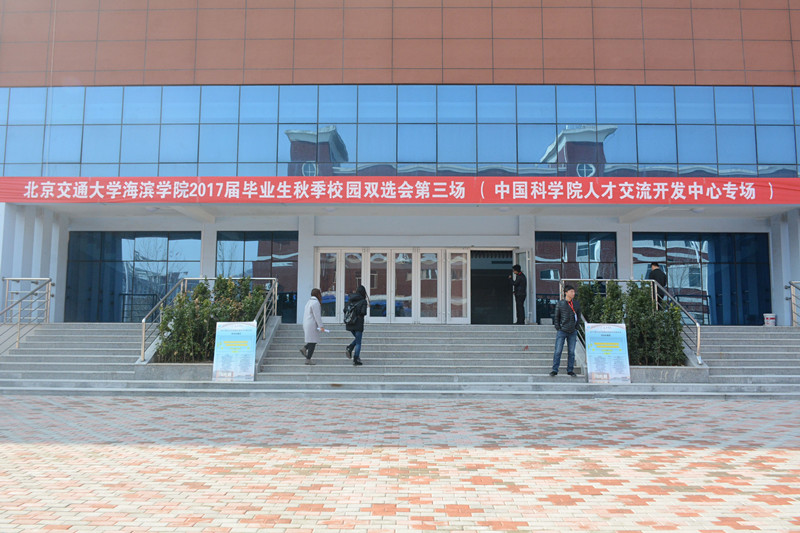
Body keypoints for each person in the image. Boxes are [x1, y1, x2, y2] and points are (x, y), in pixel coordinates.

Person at [550, 284, 581, 377]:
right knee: (558, 351)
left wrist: (577, 327)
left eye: (574, 291)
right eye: (571, 292)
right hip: (562, 330)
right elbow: (556, 317)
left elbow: (578, 316)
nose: (573, 293)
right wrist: (558, 327)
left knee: (571, 352)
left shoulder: (576, 304)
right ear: (566, 293)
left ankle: (570, 370)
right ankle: (555, 369)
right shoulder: (560, 304)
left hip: (572, 331)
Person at [300, 288, 326, 365]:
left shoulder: (308, 302)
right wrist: (321, 326)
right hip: (312, 324)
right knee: (313, 341)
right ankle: (308, 359)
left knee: (312, 340)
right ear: (318, 294)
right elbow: (317, 316)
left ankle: (305, 348)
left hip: (306, 323)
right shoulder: (315, 303)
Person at [345, 284, 368, 366]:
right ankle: (356, 358)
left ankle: (350, 347)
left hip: (350, 323)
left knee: (358, 339)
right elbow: (363, 312)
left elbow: (344, 310)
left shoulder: (350, 299)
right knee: (358, 342)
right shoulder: (363, 301)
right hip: (358, 323)